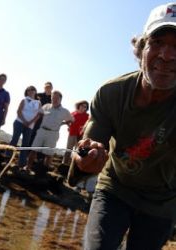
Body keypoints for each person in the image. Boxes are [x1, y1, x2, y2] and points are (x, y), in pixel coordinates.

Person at [70, 3, 176, 249]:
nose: (167, 55)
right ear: (141, 49)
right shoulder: (111, 94)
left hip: (162, 203)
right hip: (115, 189)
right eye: (158, 42)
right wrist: (86, 158)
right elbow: (89, 144)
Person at [26, 90, 74, 171]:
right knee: (34, 150)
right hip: (41, 131)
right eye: (53, 98)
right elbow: (39, 114)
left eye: (56, 98)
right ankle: (27, 167)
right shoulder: (46, 106)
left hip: (53, 133)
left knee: (48, 154)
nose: (54, 100)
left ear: (60, 99)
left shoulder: (64, 111)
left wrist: (64, 123)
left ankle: (44, 172)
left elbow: (71, 120)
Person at [9, 85, 41, 168]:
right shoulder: (24, 100)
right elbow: (19, 111)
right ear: (27, 92)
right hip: (19, 122)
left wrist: (29, 122)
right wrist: (24, 121)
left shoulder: (38, 103)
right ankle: (7, 157)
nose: (31, 91)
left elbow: (38, 115)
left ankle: (21, 164)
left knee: (25, 144)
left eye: (33, 90)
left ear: (35, 91)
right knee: (14, 140)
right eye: (29, 90)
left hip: (30, 126)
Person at [62, 100, 89, 166]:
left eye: (85, 107)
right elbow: (67, 121)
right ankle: (64, 164)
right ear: (78, 106)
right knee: (68, 149)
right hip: (71, 134)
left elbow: (88, 125)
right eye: (82, 106)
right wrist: (69, 126)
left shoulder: (87, 116)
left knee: (78, 151)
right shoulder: (73, 113)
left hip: (81, 136)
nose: (83, 108)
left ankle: (74, 165)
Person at [29, 81, 53, 146]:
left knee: (39, 136)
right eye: (46, 87)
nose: (47, 88)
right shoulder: (38, 95)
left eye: (49, 87)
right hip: (35, 118)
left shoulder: (53, 98)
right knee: (31, 134)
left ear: (52, 88)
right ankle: (26, 151)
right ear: (44, 87)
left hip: (45, 121)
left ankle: (33, 153)